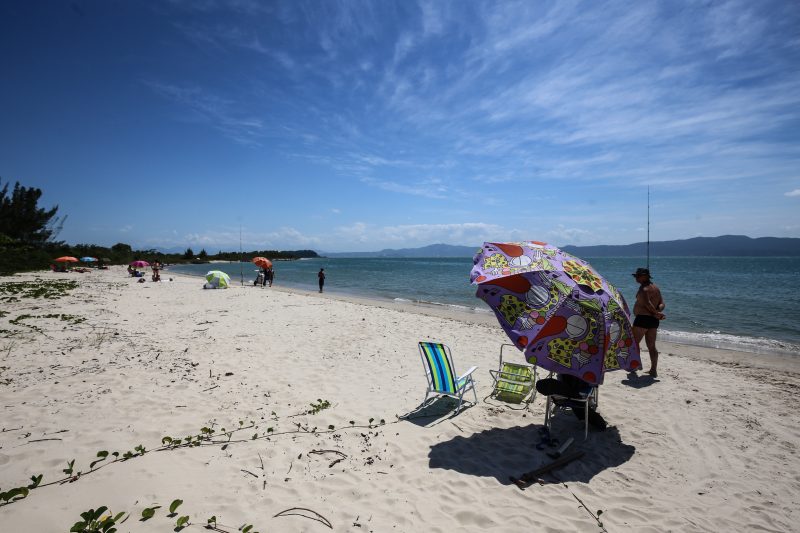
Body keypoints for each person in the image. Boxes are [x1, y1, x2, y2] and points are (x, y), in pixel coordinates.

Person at [632, 267, 666, 377]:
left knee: (634, 343)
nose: (636, 278)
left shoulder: (644, 289)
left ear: (645, 276)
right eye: (636, 276)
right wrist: (658, 312)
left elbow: (647, 304)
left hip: (642, 319)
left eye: (638, 276)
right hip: (653, 321)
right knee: (652, 346)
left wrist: (656, 313)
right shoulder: (656, 288)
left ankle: (635, 366)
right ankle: (653, 370)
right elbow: (662, 303)